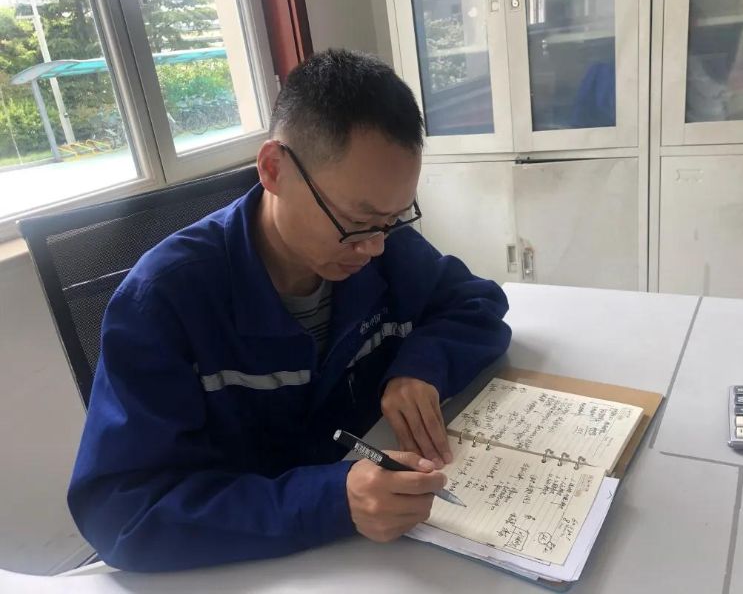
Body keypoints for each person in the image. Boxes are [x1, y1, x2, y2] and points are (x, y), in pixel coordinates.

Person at [67, 49, 511, 572]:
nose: (373, 246)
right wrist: (331, 500)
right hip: (250, 563)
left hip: (371, 556)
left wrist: (421, 368)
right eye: (357, 221)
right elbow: (122, 513)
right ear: (274, 169)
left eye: (394, 219)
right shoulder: (163, 300)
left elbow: (477, 304)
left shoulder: (381, 248)